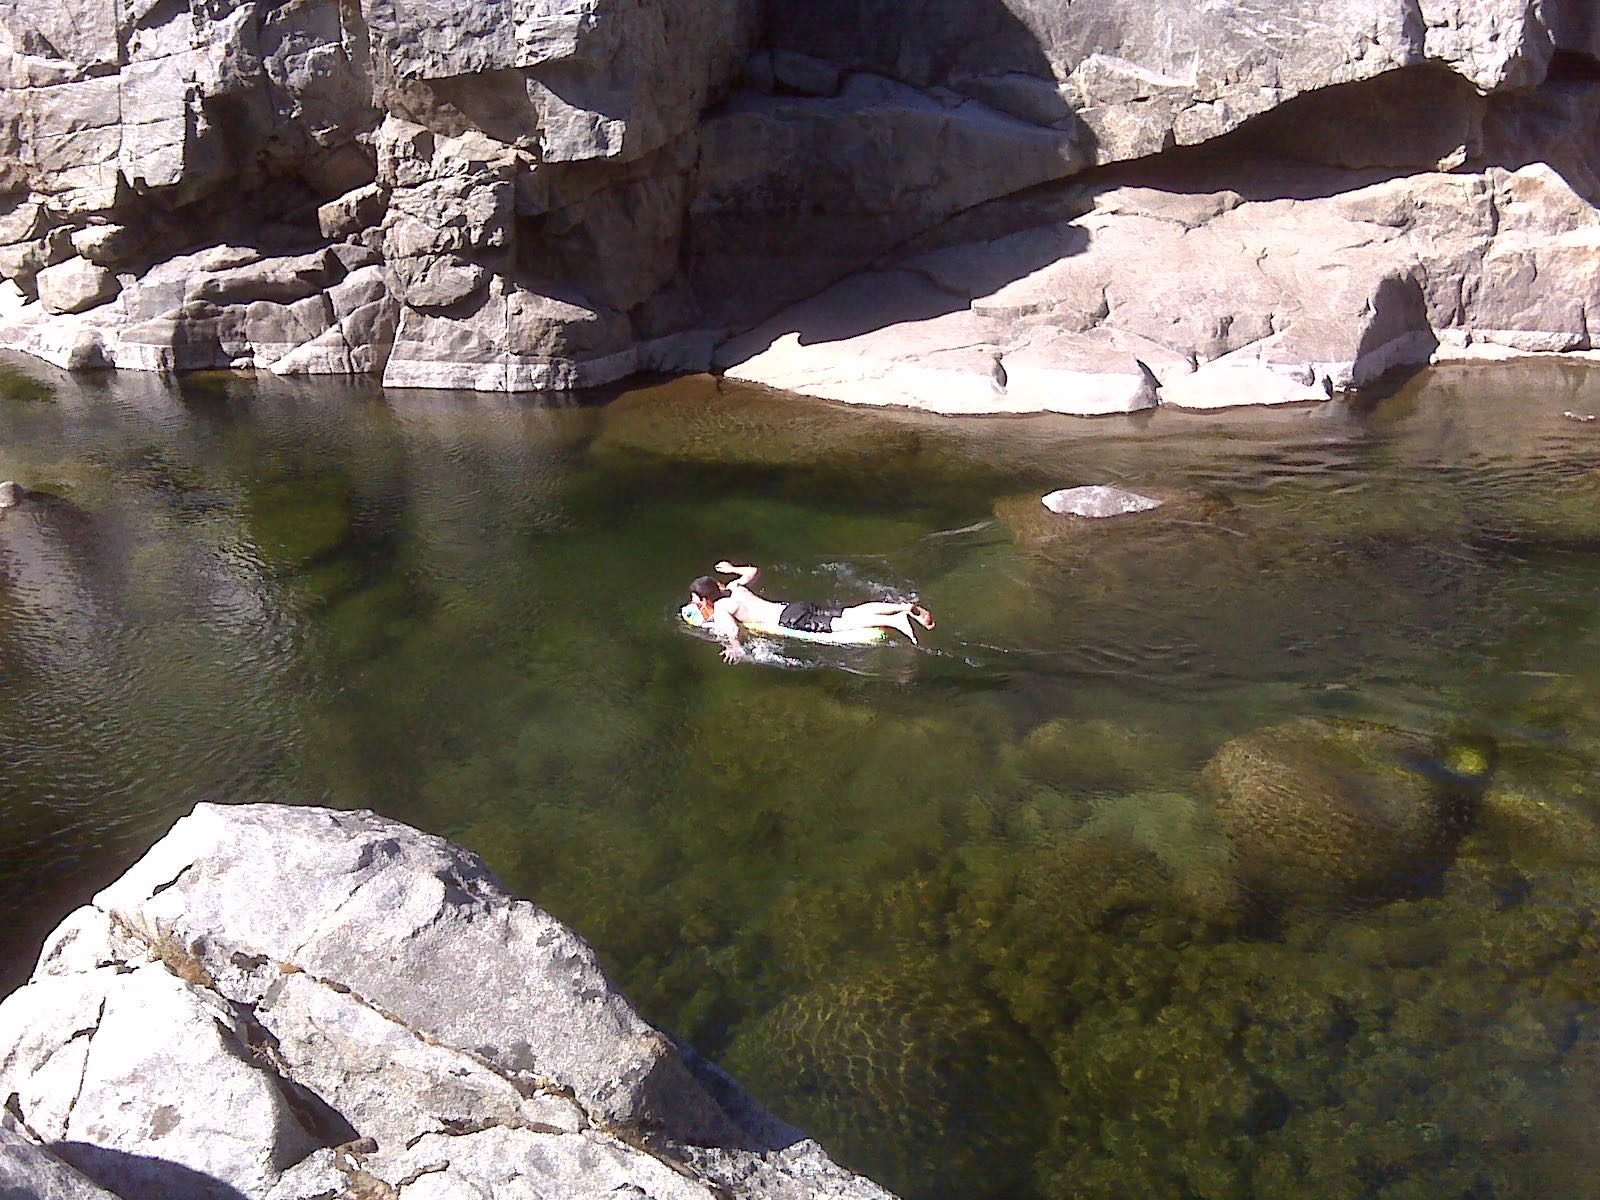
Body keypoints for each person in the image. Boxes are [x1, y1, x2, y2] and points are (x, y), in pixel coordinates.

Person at [688, 560, 935, 663]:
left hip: (790, 620)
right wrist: (732, 568)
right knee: (849, 612)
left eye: (695, 598)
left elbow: (732, 630)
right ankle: (902, 608)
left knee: (845, 624)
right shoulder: (733, 588)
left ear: (703, 598)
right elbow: (752, 571)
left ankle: (897, 622)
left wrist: (734, 646)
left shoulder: (721, 609)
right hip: (794, 606)